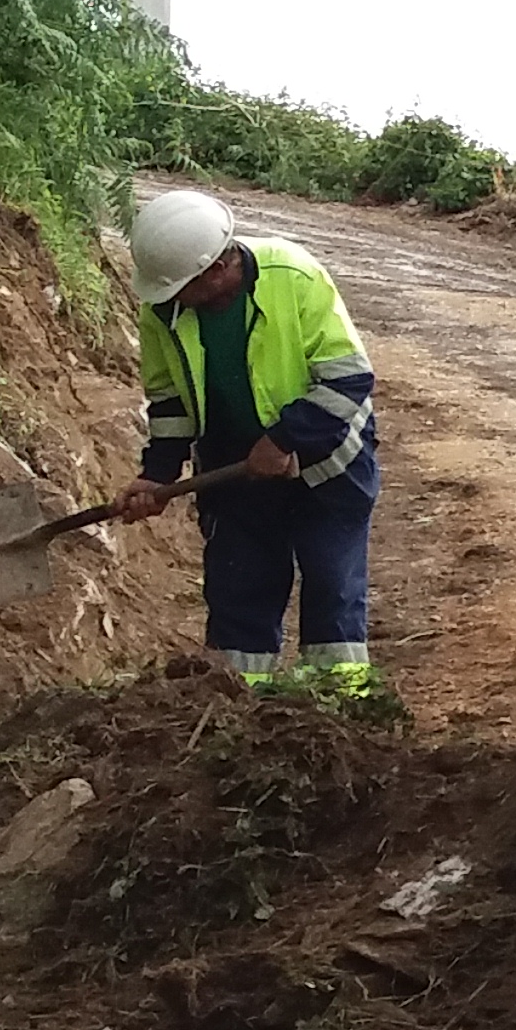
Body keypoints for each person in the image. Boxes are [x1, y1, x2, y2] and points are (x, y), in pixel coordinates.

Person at [109, 189, 382, 682]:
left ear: (217, 269)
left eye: (180, 289)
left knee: (332, 593)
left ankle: (342, 717)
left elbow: (349, 379)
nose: (171, 300)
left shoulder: (293, 275)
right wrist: (156, 475)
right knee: (239, 598)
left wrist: (282, 441)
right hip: (232, 473)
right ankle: (238, 713)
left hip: (329, 464)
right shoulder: (163, 312)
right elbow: (171, 403)